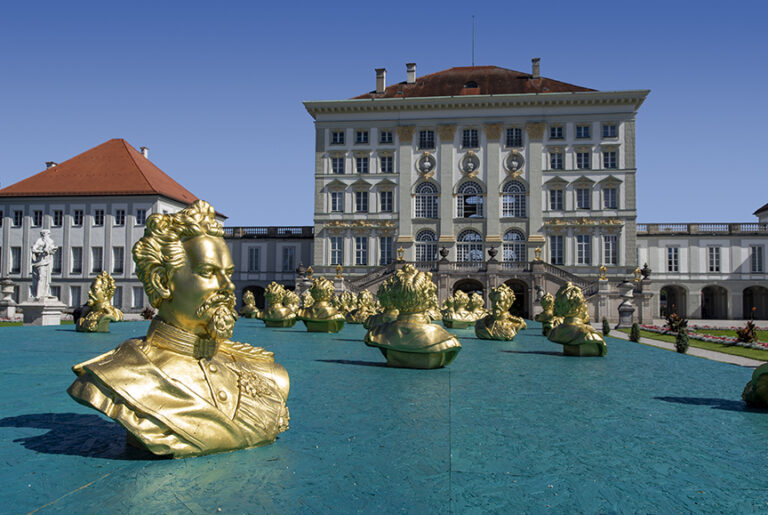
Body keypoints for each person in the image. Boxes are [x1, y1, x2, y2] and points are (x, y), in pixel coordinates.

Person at [67, 200, 290, 458]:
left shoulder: (269, 373)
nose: (228, 286)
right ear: (162, 281)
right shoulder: (119, 377)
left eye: (228, 274)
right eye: (208, 272)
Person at [31, 229, 57, 299]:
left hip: (48, 261)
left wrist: (52, 250)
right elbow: (33, 249)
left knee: (47, 278)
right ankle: (38, 294)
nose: (47, 235)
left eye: (48, 234)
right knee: (41, 277)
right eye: (46, 233)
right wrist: (41, 251)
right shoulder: (39, 241)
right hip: (40, 262)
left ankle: (46, 293)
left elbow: (51, 250)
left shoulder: (50, 241)